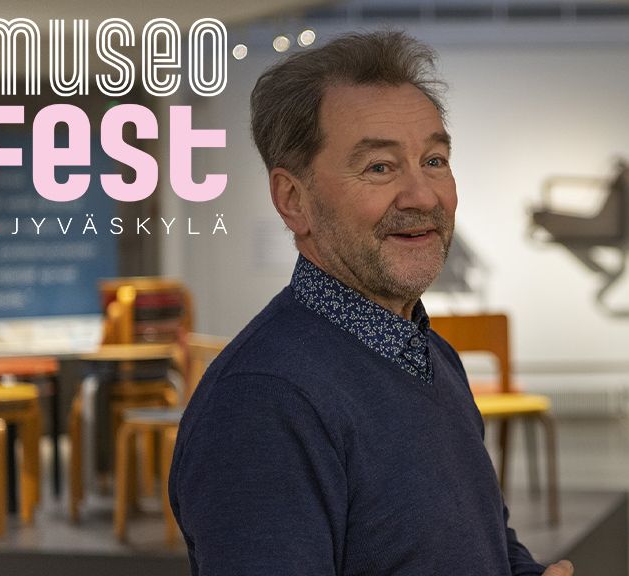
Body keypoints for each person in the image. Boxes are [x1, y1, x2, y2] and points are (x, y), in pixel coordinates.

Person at [168, 31, 575, 576]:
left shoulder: (432, 356)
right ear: (293, 200)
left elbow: (484, 540)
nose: (423, 196)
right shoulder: (262, 403)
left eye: (434, 160)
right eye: (380, 167)